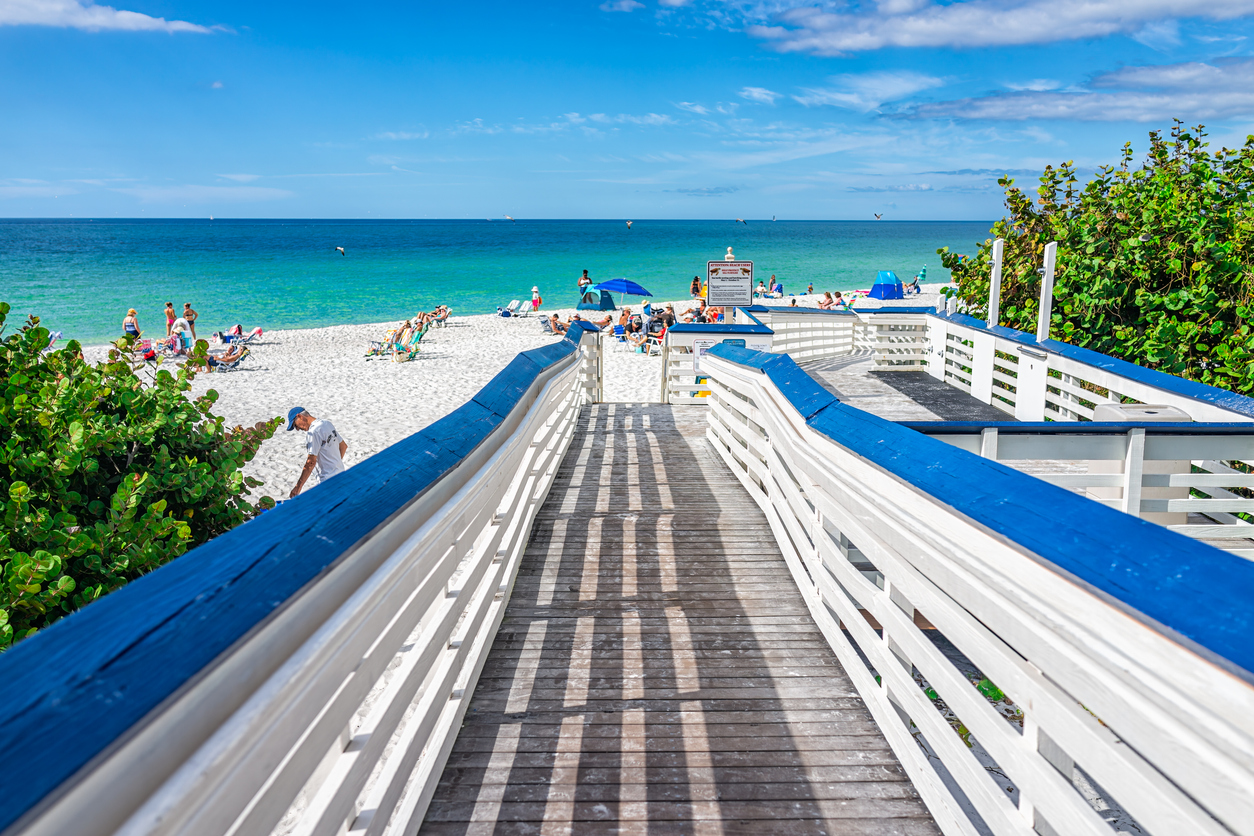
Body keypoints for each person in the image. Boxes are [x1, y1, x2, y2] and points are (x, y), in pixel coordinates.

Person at [288, 407, 348, 497]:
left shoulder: (313, 432)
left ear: (299, 416)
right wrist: (335, 464)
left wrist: (298, 487)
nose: (297, 429)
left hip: (327, 481)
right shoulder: (326, 424)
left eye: (295, 425)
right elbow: (343, 446)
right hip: (341, 475)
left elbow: (310, 462)